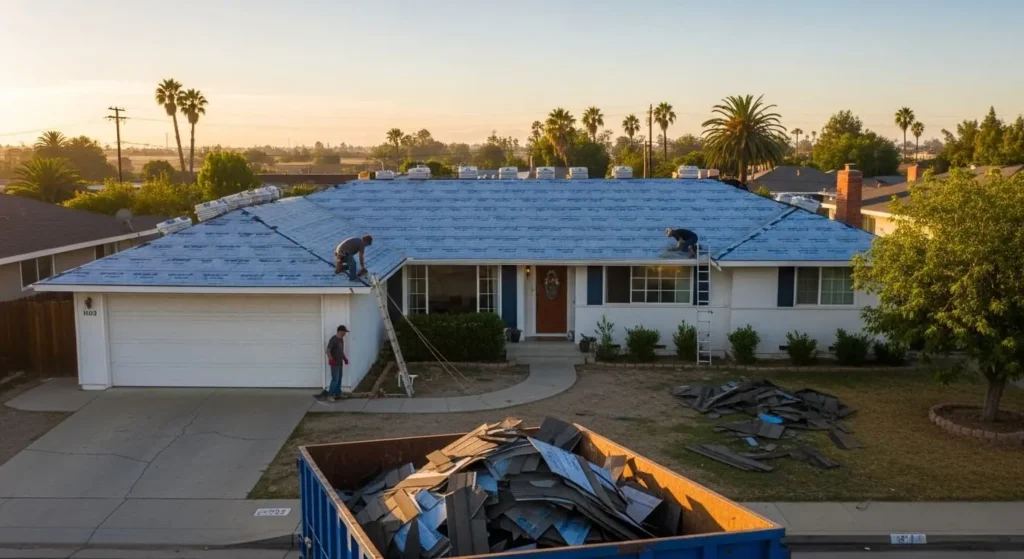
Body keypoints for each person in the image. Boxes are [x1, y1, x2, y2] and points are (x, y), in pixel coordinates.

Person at [317, 325, 349, 402]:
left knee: (339, 378)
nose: (345, 333)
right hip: (334, 363)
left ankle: (338, 393)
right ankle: (330, 395)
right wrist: (331, 360)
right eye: (345, 332)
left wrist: (344, 358)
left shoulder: (341, 340)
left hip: (340, 362)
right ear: (340, 331)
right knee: (335, 379)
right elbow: (328, 350)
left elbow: (341, 351)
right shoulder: (333, 339)